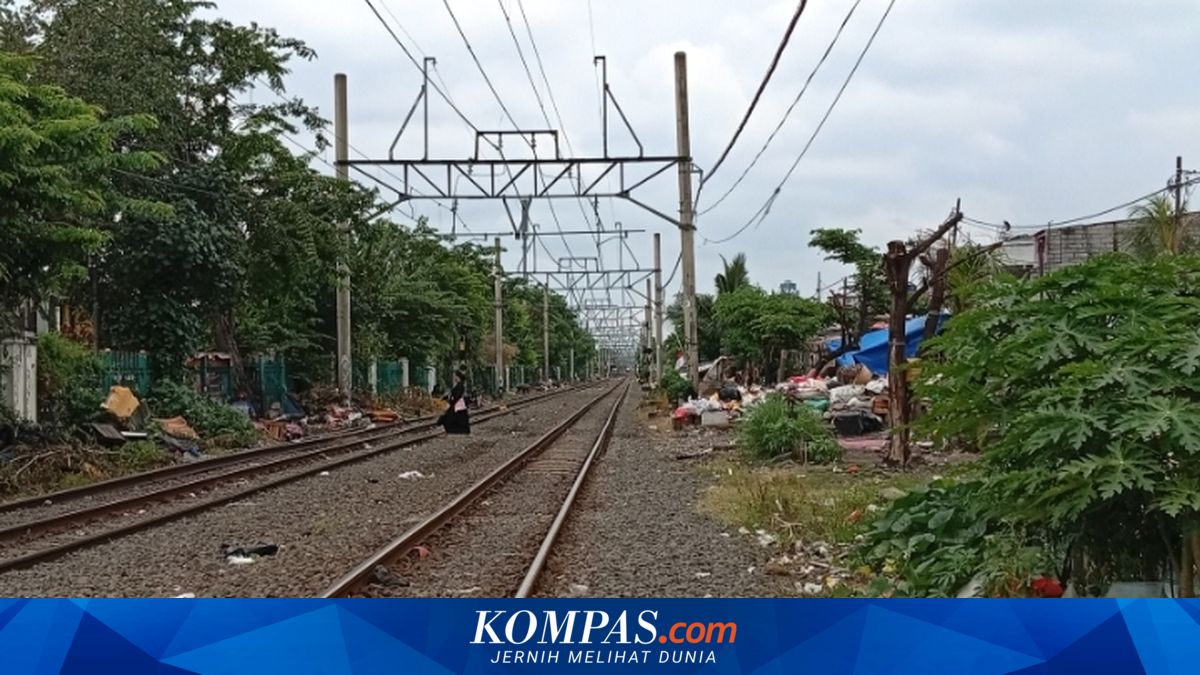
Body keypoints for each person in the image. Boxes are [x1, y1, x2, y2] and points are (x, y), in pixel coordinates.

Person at [439, 370, 470, 435]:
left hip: (458, 405)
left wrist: (450, 399)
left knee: (451, 419)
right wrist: (446, 398)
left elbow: (456, 396)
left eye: (455, 376)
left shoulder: (460, 386)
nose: (454, 378)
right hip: (457, 405)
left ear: (458, 377)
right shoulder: (459, 385)